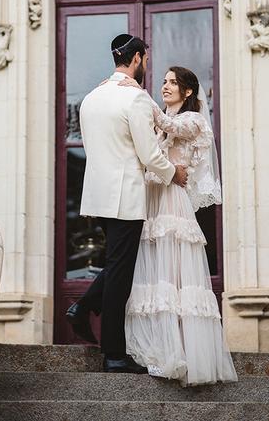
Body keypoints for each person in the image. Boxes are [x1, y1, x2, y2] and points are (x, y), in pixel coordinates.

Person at [66, 35, 189, 374]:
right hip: (125, 195)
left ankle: (83, 307)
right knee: (121, 273)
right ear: (136, 59)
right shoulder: (135, 98)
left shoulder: (92, 97)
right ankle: (114, 354)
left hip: (98, 195)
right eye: (145, 59)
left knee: (118, 265)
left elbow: (94, 146)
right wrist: (173, 174)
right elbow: (149, 154)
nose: (147, 65)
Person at [122, 66, 237, 386]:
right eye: (164, 81)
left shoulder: (193, 120)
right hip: (152, 199)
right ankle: (161, 346)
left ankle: (184, 350)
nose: (165, 86)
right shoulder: (159, 124)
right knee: (156, 271)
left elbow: (170, 123)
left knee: (174, 272)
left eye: (173, 82)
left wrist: (138, 94)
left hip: (172, 200)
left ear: (188, 92)